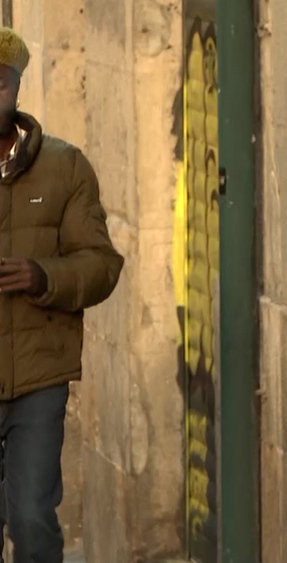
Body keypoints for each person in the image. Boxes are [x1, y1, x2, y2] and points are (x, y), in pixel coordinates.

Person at [0, 28, 123, 561]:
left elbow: (101, 265)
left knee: (30, 516)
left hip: (38, 376)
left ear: (17, 88)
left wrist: (43, 276)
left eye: (0, 83)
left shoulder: (65, 166)